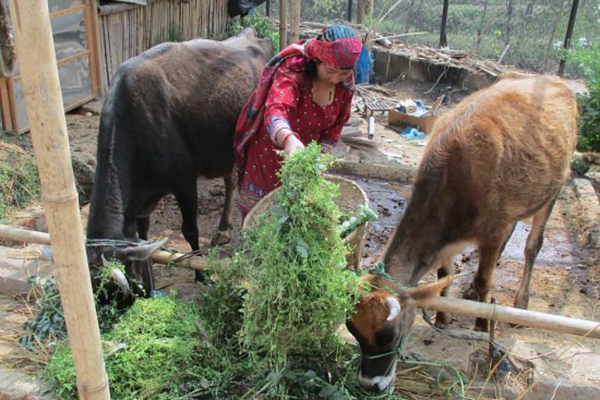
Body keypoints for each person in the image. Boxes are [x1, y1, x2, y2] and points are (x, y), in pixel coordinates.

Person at [233, 24, 363, 218]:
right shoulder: (293, 70)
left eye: (343, 73)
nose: (336, 79)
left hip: (305, 159)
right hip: (270, 151)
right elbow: (276, 109)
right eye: (329, 70)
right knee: (263, 220)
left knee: (298, 216)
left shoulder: (345, 85)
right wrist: (289, 140)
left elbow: (336, 126)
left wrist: (320, 156)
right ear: (317, 60)